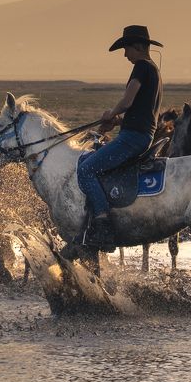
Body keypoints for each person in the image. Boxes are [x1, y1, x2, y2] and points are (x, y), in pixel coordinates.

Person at [61, 24, 163, 257]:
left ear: (137, 46)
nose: (125, 55)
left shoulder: (141, 67)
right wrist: (117, 122)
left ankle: (102, 224)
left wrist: (111, 114)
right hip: (138, 133)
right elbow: (140, 111)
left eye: (126, 49)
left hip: (133, 138)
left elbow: (128, 101)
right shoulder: (153, 70)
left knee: (86, 169)